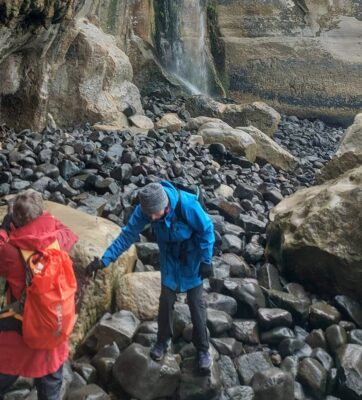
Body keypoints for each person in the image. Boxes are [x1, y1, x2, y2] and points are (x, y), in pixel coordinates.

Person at [86, 181, 215, 371]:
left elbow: (207, 230)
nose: (152, 218)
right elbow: (126, 236)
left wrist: (206, 261)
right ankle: (162, 342)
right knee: (165, 300)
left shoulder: (187, 206)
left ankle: (203, 349)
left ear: (166, 205)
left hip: (192, 257)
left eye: (156, 213)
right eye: (149, 215)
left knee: (196, 303)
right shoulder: (145, 210)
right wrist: (104, 260)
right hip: (170, 259)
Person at [0, 189, 78, 400]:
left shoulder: (9, 251)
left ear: (15, 220)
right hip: (54, 324)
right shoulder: (58, 240)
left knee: (7, 366)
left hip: (23, 327)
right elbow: (70, 233)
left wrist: (4, 229)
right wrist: (47, 220)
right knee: (51, 377)